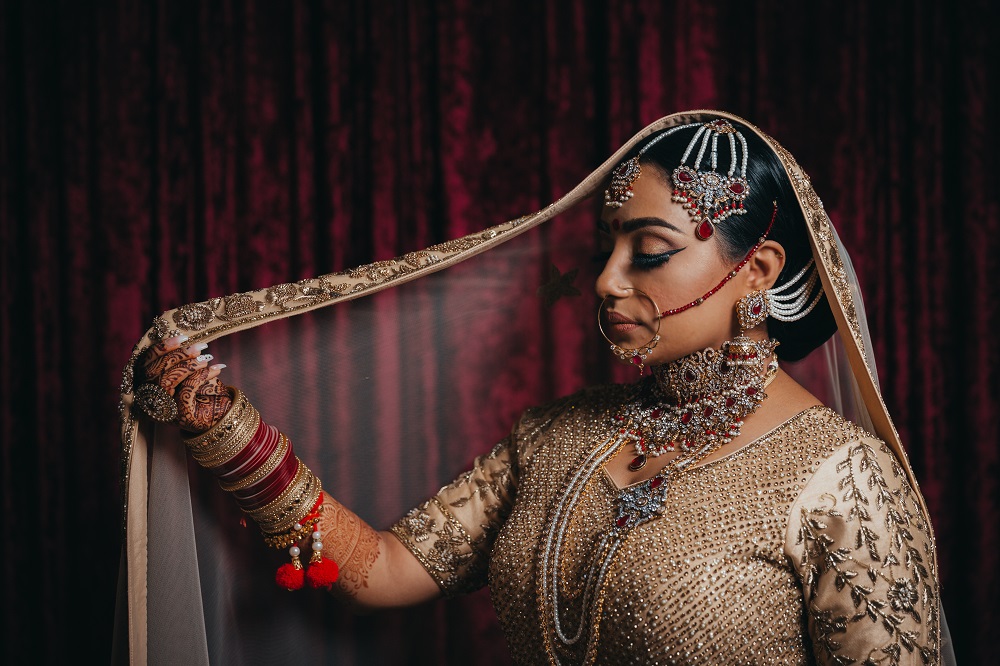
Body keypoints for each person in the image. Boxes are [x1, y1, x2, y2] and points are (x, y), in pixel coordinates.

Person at [119, 111, 947, 664]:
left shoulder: (840, 477)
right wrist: (231, 436)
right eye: (605, 251)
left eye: (649, 250)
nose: (606, 280)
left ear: (755, 269)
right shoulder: (557, 437)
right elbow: (382, 570)